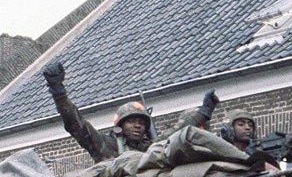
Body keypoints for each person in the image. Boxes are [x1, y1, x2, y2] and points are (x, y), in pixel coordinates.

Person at [41, 59, 221, 161]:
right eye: (131, 121)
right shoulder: (106, 145)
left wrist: (203, 112)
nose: (138, 126)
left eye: (142, 122)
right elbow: (77, 125)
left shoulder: (151, 147)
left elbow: (176, 134)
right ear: (119, 125)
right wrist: (59, 93)